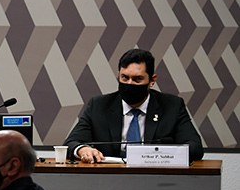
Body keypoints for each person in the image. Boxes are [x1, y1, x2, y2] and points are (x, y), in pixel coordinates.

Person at [64, 48, 204, 163]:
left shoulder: (172, 106)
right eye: (125, 78)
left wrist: (159, 156)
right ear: (118, 75)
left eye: (137, 79)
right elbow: (71, 143)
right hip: (109, 179)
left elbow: (195, 148)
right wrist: (82, 149)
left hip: (155, 178)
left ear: (152, 80)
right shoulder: (99, 106)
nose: (129, 84)